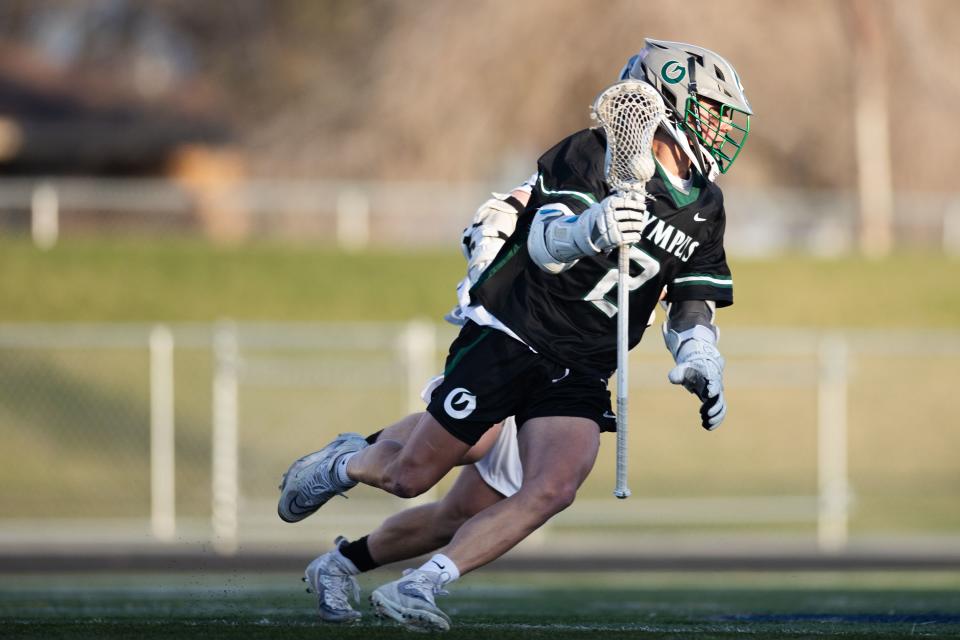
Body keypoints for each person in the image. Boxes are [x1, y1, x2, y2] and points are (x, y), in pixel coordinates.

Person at [279, 38, 752, 631]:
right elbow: (543, 239)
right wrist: (591, 229)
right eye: (710, 110)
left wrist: (701, 354)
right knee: (411, 476)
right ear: (668, 102)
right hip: (517, 332)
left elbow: (692, 301)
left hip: (584, 361)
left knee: (550, 486)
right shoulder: (593, 153)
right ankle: (344, 464)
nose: (721, 129)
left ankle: (421, 584)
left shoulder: (707, 203)